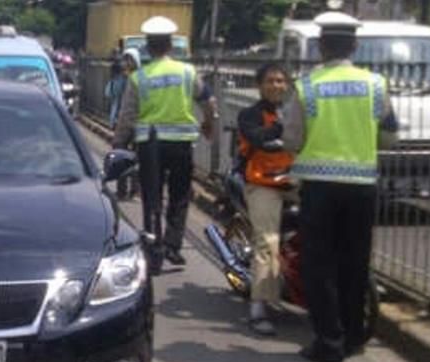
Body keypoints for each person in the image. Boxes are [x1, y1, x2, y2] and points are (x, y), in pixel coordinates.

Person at [281, 12, 398, 362]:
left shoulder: (307, 86)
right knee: (354, 262)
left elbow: (292, 138)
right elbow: (390, 136)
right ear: (355, 46)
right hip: (362, 187)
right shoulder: (377, 85)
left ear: (320, 47)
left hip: (320, 187)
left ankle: (329, 343)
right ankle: (352, 337)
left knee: (319, 266)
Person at [113, 16, 218, 273]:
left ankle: (154, 249)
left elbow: (127, 116)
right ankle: (173, 245)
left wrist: (118, 144)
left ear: (147, 48)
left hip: (150, 145)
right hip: (181, 144)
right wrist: (208, 125)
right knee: (180, 196)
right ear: (171, 45)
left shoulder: (139, 78)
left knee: (152, 197)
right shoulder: (187, 72)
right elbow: (209, 102)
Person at [237, 63, 294, 335]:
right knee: (268, 239)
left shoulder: (296, 113)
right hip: (262, 183)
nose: (276, 85)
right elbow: (257, 138)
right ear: (260, 86)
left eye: (281, 81)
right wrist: (284, 127)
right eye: (270, 81)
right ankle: (258, 305)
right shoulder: (249, 115)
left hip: (294, 181)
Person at [115, 48, 142, 200]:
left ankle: (135, 190)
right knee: (120, 155)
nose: (126, 63)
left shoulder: (139, 79)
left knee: (137, 158)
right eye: (125, 59)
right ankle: (121, 190)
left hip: (137, 123)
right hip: (123, 121)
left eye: (129, 59)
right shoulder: (122, 79)